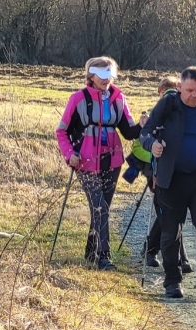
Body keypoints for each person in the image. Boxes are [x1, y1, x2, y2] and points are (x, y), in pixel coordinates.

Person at [141, 66, 196, 299]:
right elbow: (146, 133)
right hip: (171, 178)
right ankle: (172, 281)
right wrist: (153, 145)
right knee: (170, 231)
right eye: (189, 90)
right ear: (180, 87)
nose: (194, 95)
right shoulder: (167, 105)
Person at [55, 57, 142, 271]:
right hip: (84, 161)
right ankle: (104, 257)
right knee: (100, 207)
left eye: (109, 76)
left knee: (102, 208)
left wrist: (143, 124)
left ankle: (91, 251)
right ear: (90, 76)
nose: (106, 80)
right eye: (102, 76)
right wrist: (69, 155)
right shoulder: (78, 99)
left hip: (112, 161)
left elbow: (129, 132)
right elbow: (62, 131)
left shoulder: (118, 97)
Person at [139, 75, 190, 272]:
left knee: (167, 213)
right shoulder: (180, 108)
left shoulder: (157, 110)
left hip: (159, 171)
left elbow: (141, 144)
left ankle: (154, 253)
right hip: (167, 170)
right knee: (169, 213)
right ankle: (171, 257)